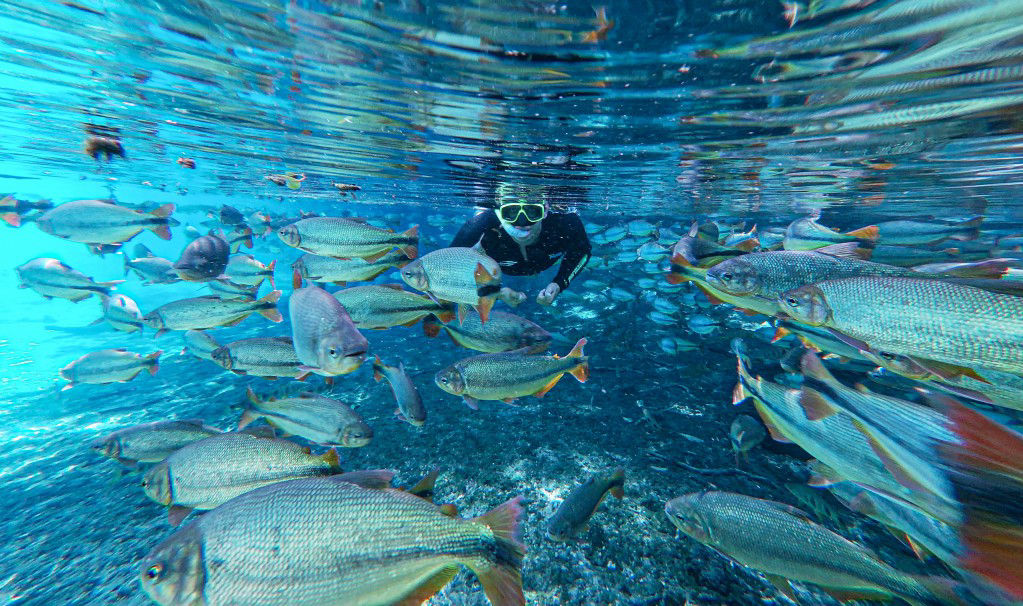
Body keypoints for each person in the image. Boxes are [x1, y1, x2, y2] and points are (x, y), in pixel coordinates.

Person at [450, 184, 591, 306]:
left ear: (545, 210)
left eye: (532, 212)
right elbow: (448, 268)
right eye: (511, 212)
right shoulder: (481, 225)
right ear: (500, 212)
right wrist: (496, 293)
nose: (522, 223)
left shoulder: (564, 223)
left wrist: (559, 283)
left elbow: (582, 252)